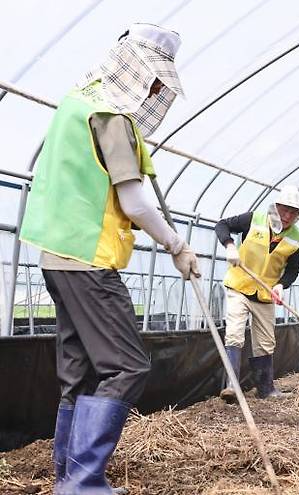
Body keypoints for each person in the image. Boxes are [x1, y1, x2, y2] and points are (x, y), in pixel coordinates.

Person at [19, 24, 199, 494]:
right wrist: (177, 246)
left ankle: (67, 477)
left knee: (78, 370)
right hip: (89, 259)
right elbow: (136, 203)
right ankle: (82, 482)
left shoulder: (76, 104)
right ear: (137, 70)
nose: (157, 90)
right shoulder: (111, 115)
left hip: (56, 257)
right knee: (126, 366)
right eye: (156, 80)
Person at [215, 185, 299, 402]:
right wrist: (229, 246)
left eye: (293, 212)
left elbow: (293, 269)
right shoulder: (254, 219)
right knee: (235, 332)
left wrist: (281, 285)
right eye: (285, 209)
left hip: (265, 294)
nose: (288, 216)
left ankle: (266, 390)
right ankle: (232, 387)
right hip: (239, 286)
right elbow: (222, 225)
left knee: (265, 342)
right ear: (277, 206)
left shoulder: (296, 238)